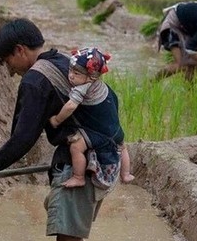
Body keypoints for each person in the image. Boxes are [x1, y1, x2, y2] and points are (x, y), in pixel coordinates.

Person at [0, 18, 114, 241]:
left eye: (8, 62)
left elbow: (21, 140)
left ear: (20, 50)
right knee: (58, 212)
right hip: (104, 160)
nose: (10, 72)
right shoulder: (68, 63)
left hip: (81, 163)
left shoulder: (35, 79)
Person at [48, 47, 134, 188]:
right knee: (122, 147)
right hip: (115, 129)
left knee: (76, 147)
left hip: (99, 132)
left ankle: (78, 177)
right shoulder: (103, 87)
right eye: (70, 71)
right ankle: (126, 174)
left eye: (76, 73)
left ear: (91, 77)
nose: (71, 76)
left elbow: (70, 106)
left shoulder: (82, 88)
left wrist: (56, 120)